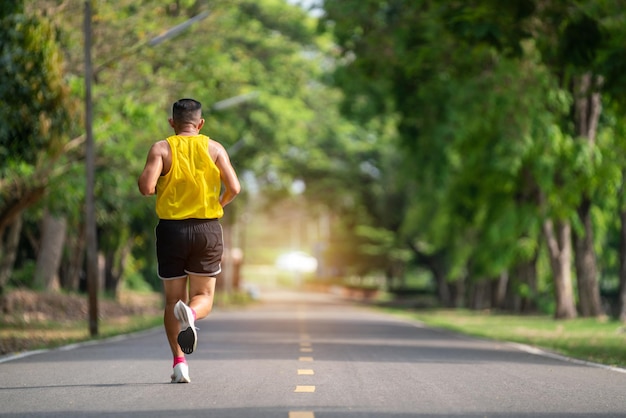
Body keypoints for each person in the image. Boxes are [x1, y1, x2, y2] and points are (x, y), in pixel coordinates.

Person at [138, 98, 241, 383]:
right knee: (204, 296)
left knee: (173, 299)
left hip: (171, 231)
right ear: (201, 123)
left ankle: (179, 363)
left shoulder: (161, 148)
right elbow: (234, 187)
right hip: (207, 229)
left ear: (172, 122)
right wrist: (219, 202)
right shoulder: (215, 148)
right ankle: (192, 315)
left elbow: (146, 188)